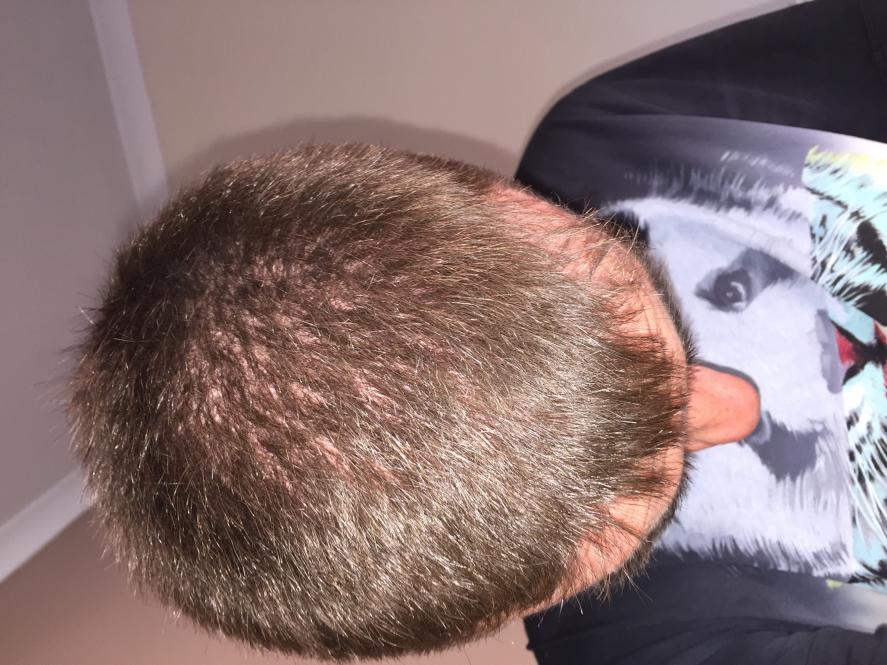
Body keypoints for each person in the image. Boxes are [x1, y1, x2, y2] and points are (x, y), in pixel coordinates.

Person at [67, 143, 759, 661]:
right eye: (632, 539)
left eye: (620, 272)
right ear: (497, 617)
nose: (738, 410)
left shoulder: (623, 130)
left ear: (515, 204)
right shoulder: (639, 648)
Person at [517, 0, 887, 662]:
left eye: (730, 291)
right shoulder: (621, 645)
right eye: (775, 449)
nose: (736, 403)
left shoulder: (600, 150)